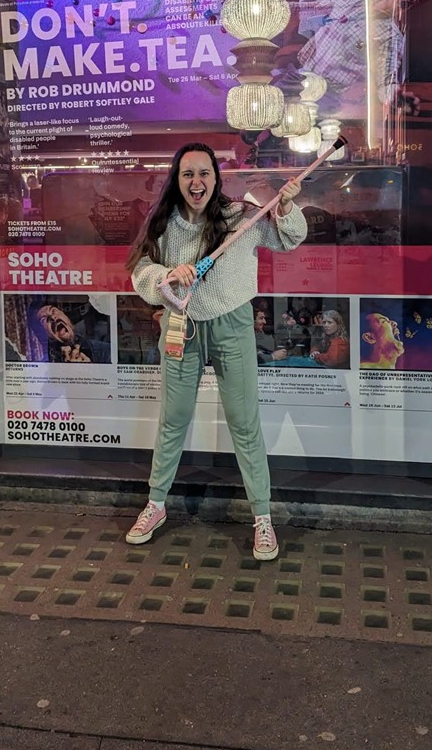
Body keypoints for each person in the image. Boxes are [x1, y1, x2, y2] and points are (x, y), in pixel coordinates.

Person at [124, 142, 307, 560]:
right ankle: (155, 505)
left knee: (245, 424)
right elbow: (140, 272)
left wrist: (284, 209)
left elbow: (291, 239)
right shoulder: (164, 224)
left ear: (215, 177)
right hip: (181, 326)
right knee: (173, 421)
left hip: (232, 324)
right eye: (187, 174)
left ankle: (262, 517)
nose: (196, 182)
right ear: (177, 179)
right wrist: (167, 274)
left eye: (204, 173)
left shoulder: (240, 217)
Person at [28, 301, 111, 364]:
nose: (53, 317)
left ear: (64, 315)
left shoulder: (105, 351)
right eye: (44, 320)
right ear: (42, 334)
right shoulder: (44, 367)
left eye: (53, 311)